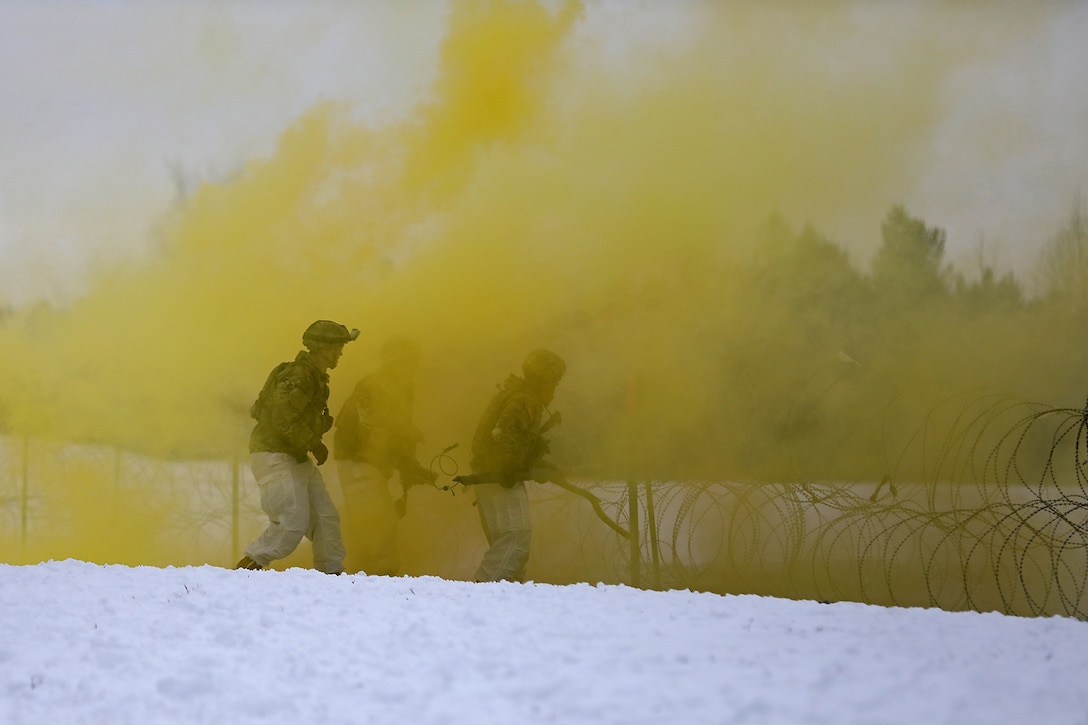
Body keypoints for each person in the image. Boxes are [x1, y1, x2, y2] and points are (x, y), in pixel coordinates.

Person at [235, 319, 358, 573]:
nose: (340, 353)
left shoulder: (315, 376)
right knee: (290, 524)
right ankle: (247, 569)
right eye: (336, 347)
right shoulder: (300, 374)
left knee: (326, 519)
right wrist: (314, 443)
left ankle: (332, 575)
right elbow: (281, 417)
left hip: (295, 457)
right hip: (274, 455)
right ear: (321, 347)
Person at [333, 336, 430, 575]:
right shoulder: (377, 385)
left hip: (366, 465)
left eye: (412, 361)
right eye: (406, 361)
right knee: (379, 526)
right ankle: (380, 582)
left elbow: (395, 433)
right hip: (360, 463)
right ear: (390, 360)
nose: (410, 366)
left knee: (374, 526)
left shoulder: (399, 386)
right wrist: (403, 452)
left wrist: (410, 465)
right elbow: (372, 431)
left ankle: (366, 581)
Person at [468, 348, 566, 583]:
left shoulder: (518, 394)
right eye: (554, 380)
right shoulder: (524, 399)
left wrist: (538, 465)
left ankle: (507, 600)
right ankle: (482, 593)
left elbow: (514, 440)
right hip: (499, 479)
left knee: (512, 552)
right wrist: (513, 469)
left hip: (491, 477)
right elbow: (503, 436)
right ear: (543, 378)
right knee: (515, 537)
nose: (554, 387)